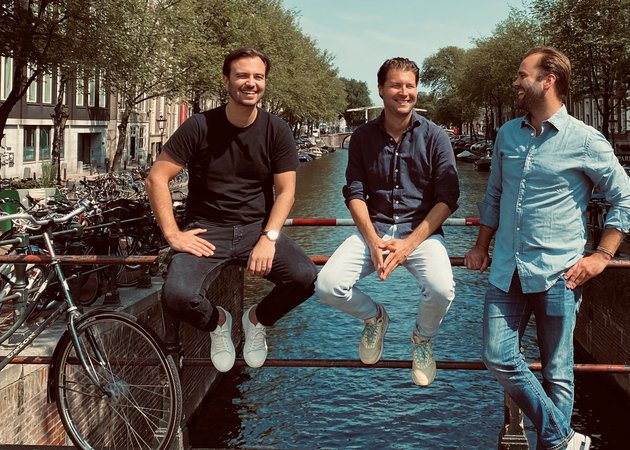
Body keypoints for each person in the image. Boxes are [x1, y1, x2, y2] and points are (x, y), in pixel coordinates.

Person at [464, 47, 630, 449]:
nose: (515, 82)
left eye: (522, 75)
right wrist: (480, 245)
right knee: (497, 355)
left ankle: (554, 444)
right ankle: (563, 439)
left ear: (548, 81)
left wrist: (602, 256)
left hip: (559, 273)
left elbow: (625, 197)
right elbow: (494, 195)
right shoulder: (507, 134)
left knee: (558, 373)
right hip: (506, 268)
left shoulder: (585, 140)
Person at [145, 47, 317, 373]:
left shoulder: (277, 130)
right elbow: (157, 177)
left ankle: (257, 320)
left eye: (258, 77)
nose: (251, 83)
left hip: (256, 229)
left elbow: (286, 191)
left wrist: (269, 237)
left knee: (305, 278)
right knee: (178, 295)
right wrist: (173, 234)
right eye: (242, 76)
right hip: (207, 229)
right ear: (226, 81)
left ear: (265, 82)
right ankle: (218, 323)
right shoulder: (199, 126)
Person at [315, 57, 459, 387]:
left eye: (410, 85)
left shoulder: (436, 137)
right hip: (375, 227)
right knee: (327, 285)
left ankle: (421, 339)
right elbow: (355, 192)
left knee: (441, 289)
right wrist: (371, 239)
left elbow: (448, 198)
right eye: (396, 85)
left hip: (421, 233)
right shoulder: (362, 137)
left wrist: (409, 245)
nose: (404, 92)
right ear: (380, 89)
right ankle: (375, 317)